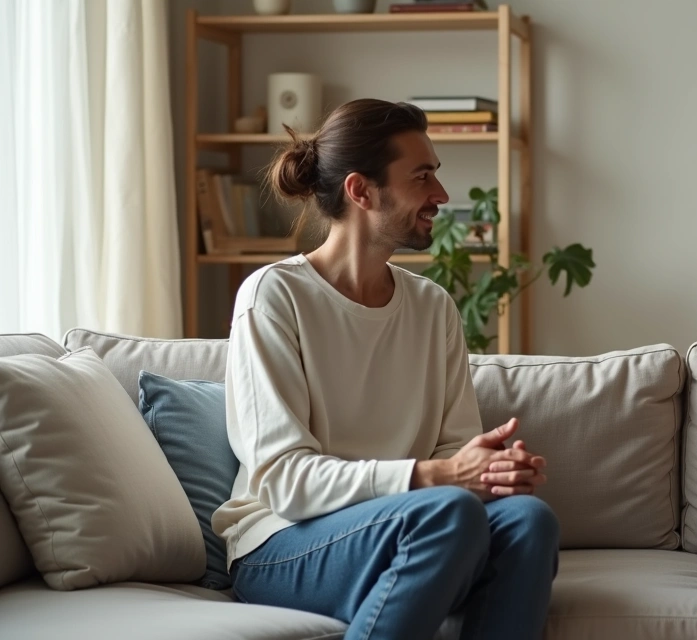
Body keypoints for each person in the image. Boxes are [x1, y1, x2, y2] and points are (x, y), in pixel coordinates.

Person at [212, 98, 560, 640]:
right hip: (280, 541)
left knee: (528, 522)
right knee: (447, 513)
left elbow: (453, 453)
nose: (441, 195)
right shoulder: (275, 296)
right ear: (360, 190)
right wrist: (439, 477)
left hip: (407, 526)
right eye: (422, 176)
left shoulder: (432, 307)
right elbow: (283, 480)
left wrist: (485, 472)